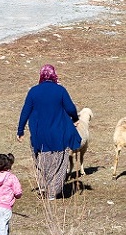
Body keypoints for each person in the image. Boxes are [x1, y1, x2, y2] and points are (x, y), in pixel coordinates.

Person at [17, 64, 81, 199]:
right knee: (59, 161)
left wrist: (20, 130)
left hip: (39, 134)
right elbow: (70, 108)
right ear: (54, 75)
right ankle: (53, 191)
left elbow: (25, 111)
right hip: (59, 133)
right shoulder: (60, 90)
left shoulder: (33, 91)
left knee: (40, 159)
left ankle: (43, 185)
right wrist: (75, 118)